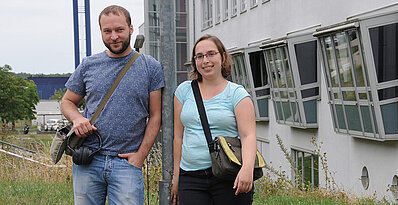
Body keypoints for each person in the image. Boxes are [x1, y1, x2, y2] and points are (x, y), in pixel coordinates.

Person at [61, 5, 164, 205]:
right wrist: (77, 118)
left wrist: (140, 156)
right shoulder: (88, 65)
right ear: (101, 32)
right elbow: (67, 101)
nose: (114, 36)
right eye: (107, 31)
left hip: (127, 163)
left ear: (131, 29)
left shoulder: (150, 67)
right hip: (88, 160)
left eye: (119, 30)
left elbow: (155, 116)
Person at [170, 34, 257, 205]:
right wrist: (176, 177)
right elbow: (178, 137)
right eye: (199, 56)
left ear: (223, 56)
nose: (205, 61)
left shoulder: (237, 94)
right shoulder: (183, 91)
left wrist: (247, 169)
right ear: (194, 61)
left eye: (211, 54)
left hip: (229, 174)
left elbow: (248, 136)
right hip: (191, 177)